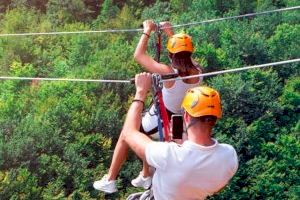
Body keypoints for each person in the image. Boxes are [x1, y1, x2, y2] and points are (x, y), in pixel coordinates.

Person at [93, 20, 203, 193]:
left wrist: (147, 31)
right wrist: (170, 33)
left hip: (163, 117)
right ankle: (145, 175)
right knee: (146, 136)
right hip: (180, 120)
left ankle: (110, 179)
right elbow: (183, 54)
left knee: (127, 133)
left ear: (170, 54)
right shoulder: (198, 69)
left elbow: (138, 55)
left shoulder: (168, 73)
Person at [102, 72, 239, 199]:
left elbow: (128, 133)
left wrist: (141, 92)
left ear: (186, 116)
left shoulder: (169, 155)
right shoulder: (229, 157)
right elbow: (216, 184)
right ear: (215, 119)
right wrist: (181, 143)